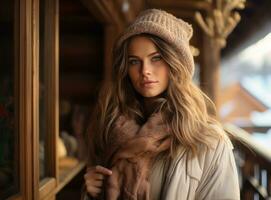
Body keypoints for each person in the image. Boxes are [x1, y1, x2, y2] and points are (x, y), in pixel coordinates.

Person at [82, 9, 240, 200]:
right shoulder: (111, 128)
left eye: (156, 58)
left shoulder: (209, 142)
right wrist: (92, 194)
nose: (145, 70)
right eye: (134, 62)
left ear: (175, 63)